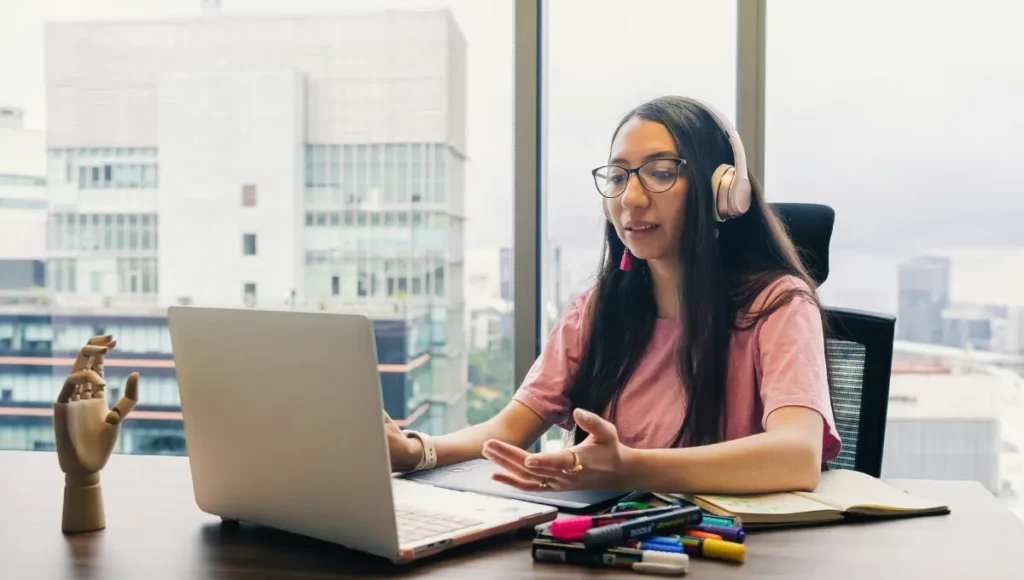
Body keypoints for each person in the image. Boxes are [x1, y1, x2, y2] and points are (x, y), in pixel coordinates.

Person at [385, 95, 840, 495]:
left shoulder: (778, 305)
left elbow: (796, 456)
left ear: (724, 191)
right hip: (611, 545)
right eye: (618, 177)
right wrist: (414, 451)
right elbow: (508, 430)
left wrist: (629, 468)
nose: (631, 199)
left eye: (661, 173)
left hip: (732, 552)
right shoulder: (596, 311)